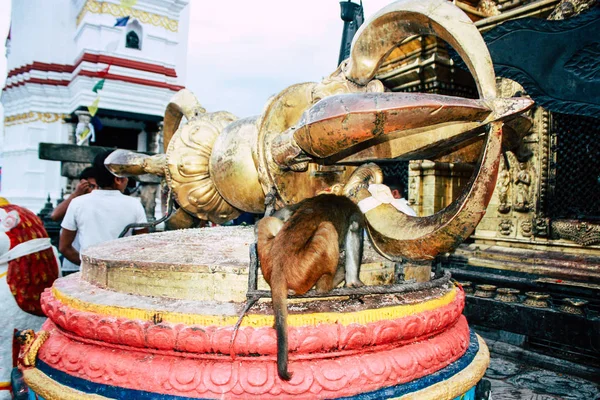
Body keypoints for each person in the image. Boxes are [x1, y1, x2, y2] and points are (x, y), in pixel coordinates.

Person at [59, 151, 148, 267]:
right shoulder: (134, 204)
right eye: (126, 176)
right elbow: (144, 247)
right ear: (118, 179)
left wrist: (86, 265)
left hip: (88, 274)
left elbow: (64, 247)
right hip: (121, 273)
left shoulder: (78, 203)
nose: (127, 180)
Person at [51, 167, 99, 275]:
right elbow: (55, 215)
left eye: (97, 186)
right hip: (72, 264)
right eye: (91, 186)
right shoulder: (75, 202)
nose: (94, 190)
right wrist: (76, 194)